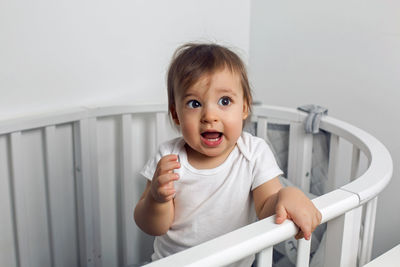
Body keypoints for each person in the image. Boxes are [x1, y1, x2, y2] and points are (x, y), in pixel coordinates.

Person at [134, 43, 322, 266]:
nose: (209, 116)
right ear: (176, 114)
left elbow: (266, 208)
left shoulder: (253, 152)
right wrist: (157, 199)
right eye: (194, 103)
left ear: (244, 108)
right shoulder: (169, 157)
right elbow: (153, 226)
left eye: (224, 101)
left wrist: (285, 196)